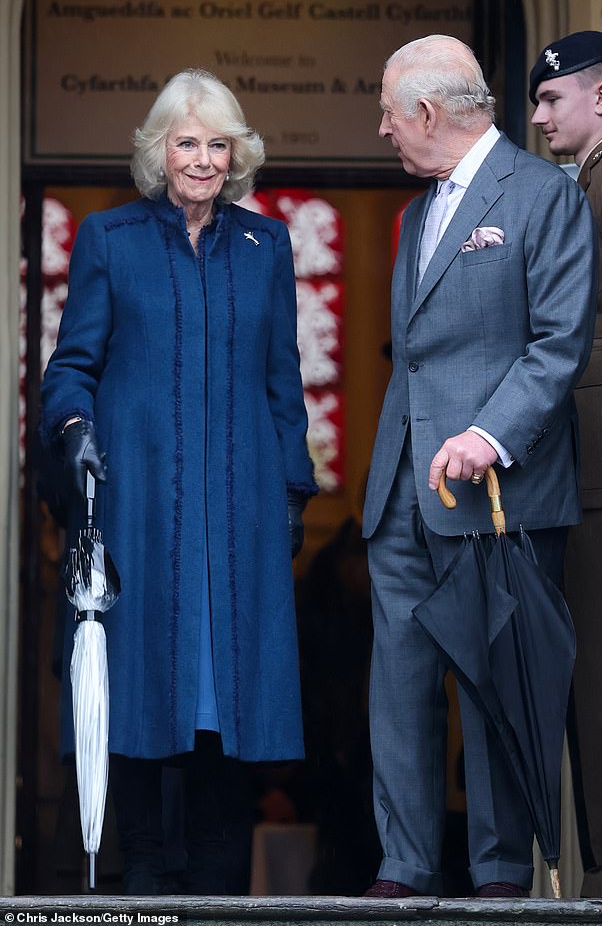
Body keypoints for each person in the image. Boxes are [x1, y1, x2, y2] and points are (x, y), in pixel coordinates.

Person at [40, 68, 318, 895]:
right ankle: (144, 885)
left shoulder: (266, 247)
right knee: (137, 701)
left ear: (237, 155)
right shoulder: (110, 238)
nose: (202, 159)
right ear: (159, 151)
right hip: (139, 516)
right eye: (186, 142)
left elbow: (284, 385)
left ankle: (220, 897)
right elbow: (71, 369)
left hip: (239, 522)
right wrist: (75, 429)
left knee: (228, 720)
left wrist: (292, 494)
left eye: (217, 144)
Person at [361, 35, 597, 899]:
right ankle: (405, 865)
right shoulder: (419, 211)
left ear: (427, 112)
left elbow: (560, 342)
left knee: (496, 686)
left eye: (389, 113)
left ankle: (500, 877)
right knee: (399, 686)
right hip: (402, 490)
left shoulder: (543, 195)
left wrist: (489, 435)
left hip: (500, 492)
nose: (382, 129)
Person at [530, 30, 602, 898]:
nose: (538, 116)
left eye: (550, 99)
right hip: (595, 474)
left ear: (601, 98)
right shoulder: (594, 179)